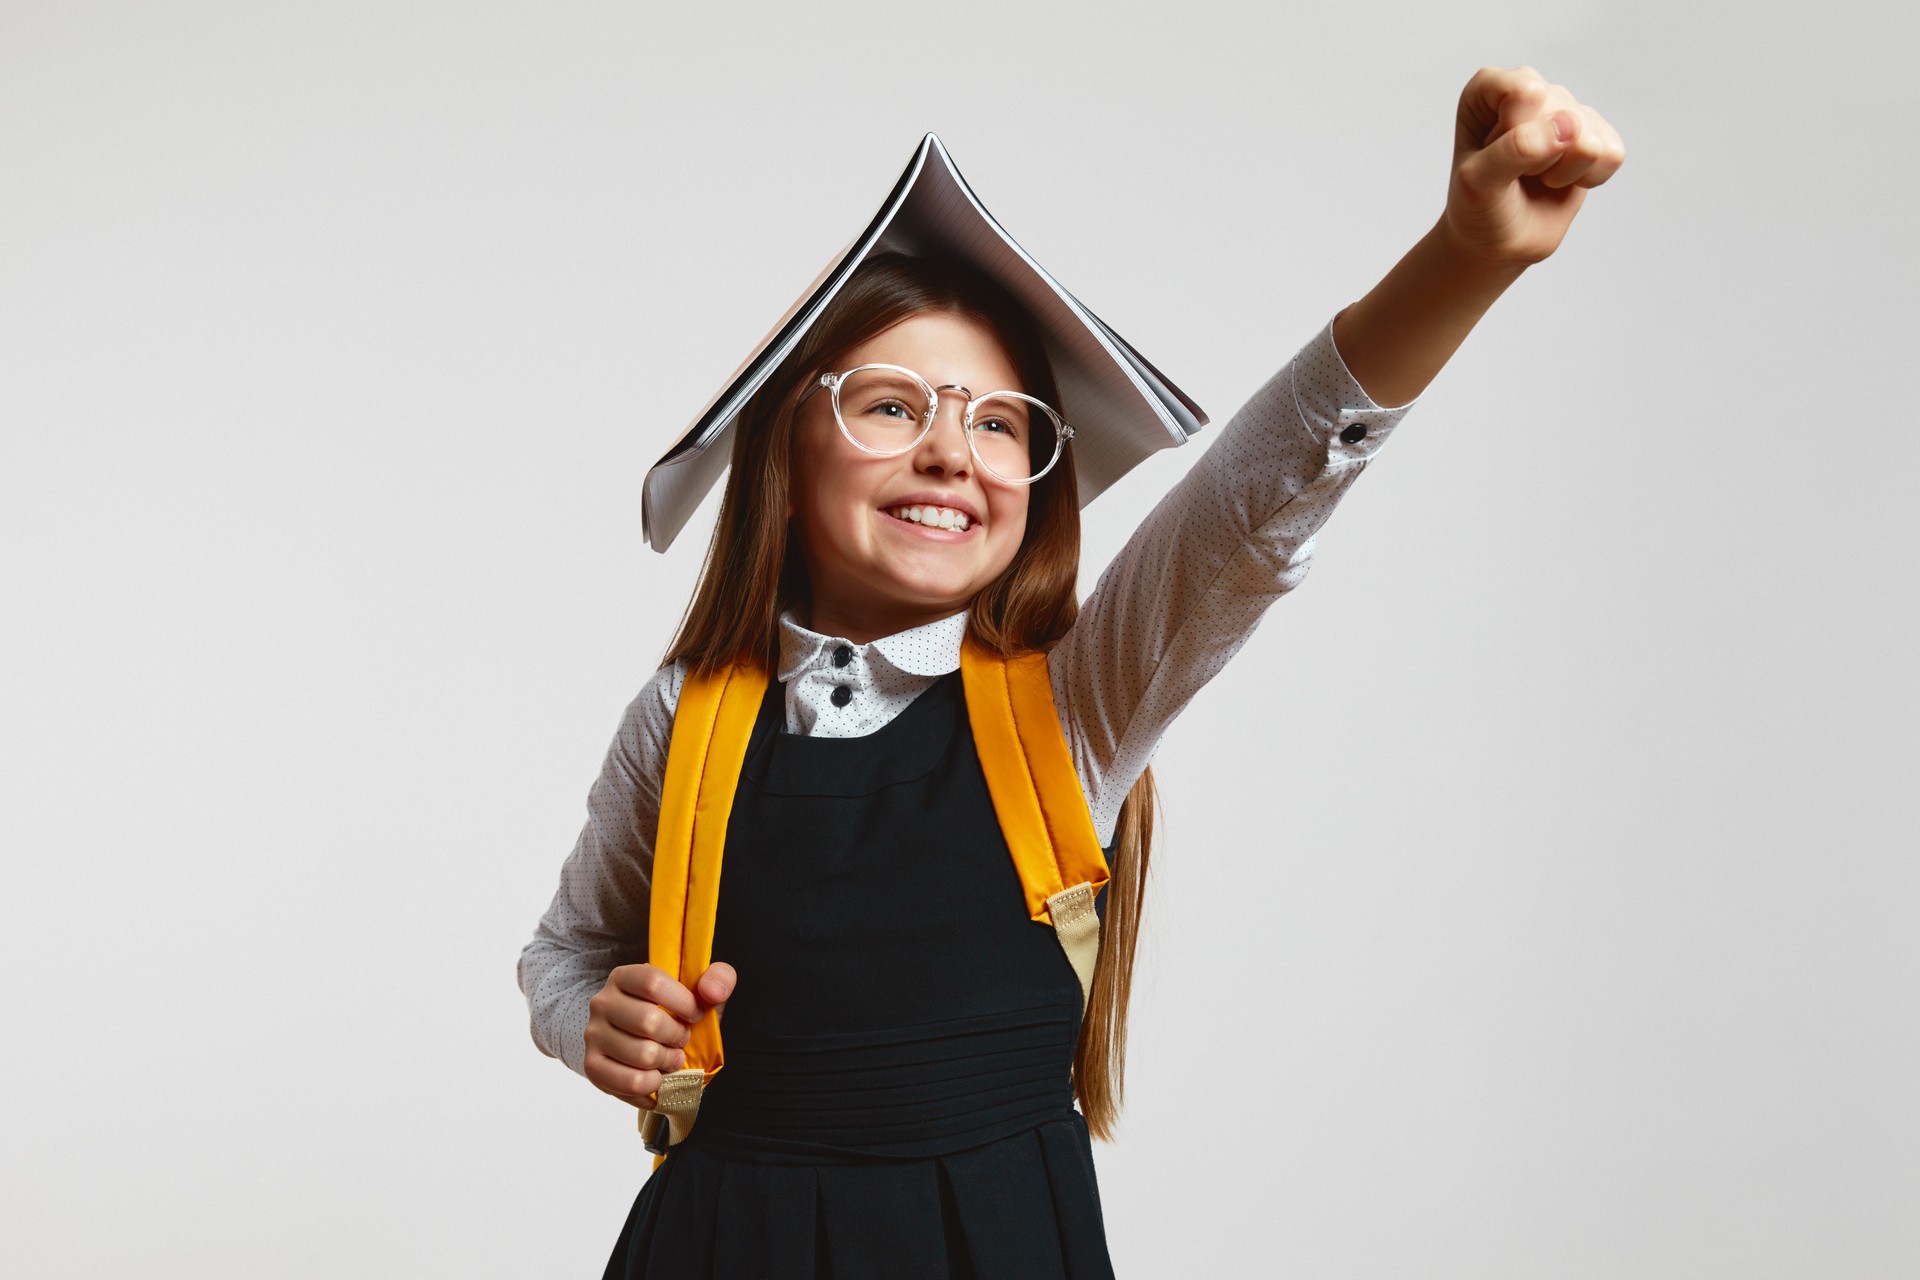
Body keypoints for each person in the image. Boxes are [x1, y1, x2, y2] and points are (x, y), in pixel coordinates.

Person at [518, 64, 1625, 1279]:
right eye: (891, 404)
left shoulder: (1071, 699)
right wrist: (593, 1021)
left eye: (999, 422)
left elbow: (1249, 507)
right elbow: (564, 952)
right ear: (785, 448)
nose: (952, 447)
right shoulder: (681, 718)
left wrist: (1465, 256)